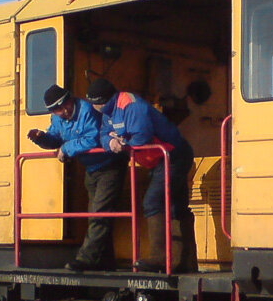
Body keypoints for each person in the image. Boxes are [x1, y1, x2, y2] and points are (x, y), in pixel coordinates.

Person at [85, 77, 197, 272]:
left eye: (95, 103)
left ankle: (160, 258)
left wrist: (122, 142)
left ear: (102, 100)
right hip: (157, 159)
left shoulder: (130, 104)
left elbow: (142, 134)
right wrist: (110, 143)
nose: (94, 108)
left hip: (172, 154)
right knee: (176, 207)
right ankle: (184, 263)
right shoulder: (109, 111)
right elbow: (104, 133)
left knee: (153, 202)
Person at [26, 84, 127, 271]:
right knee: (95, 215)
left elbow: (94, 138)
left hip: (111, 166)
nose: (63, 111)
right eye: (56, 109)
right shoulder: (57, 118)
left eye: (65, 105)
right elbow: (56, 138)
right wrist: (42, 138)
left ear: (70, 100)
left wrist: (66, 148)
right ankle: (105, 262)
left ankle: (86, 259)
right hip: (92, 169)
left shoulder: (87, 110)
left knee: (99, 214)